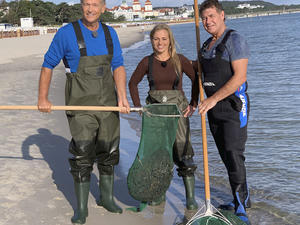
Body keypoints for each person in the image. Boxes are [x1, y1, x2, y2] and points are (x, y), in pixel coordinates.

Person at [37, 0, 130, 223]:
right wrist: (42, 98)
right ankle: (81, 208)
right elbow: (48, 64)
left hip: (107, 104)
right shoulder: (66, 33)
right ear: (81, 6)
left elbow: (117, 65)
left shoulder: (110, 34)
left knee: (109, 150)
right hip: (80, 105)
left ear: (103, 8)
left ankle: (106, 199)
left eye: (95, 4)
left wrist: (122, 96)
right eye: (86, 4)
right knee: (83, 153)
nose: (90, 9)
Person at [128, 24, 199, 210]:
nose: (160, 42)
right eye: (156, 39)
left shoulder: (180, 60)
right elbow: (132, 83)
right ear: (151, 40)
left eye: (164, 39)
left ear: (170, 41)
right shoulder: (146, 62)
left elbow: (196, 79)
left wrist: (193, 103)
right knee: (158, 155)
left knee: (184, 153)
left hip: (178, 112)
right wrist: (139, 108)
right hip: (156, 114)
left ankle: (190, 198)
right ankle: (159, 194)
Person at [196, 0, 251, 224]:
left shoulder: (234, 40)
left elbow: (240, 77)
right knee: (226, 156)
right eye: (204, 18)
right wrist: (194, 102)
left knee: (234, 153)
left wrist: (213, 99)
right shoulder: (206, 45)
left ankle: (240, 206)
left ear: (222, 15)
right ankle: (241, 199)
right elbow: (200, 78)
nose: (208, 21)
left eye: (211, 16)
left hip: (233, 107)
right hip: (212, 109)